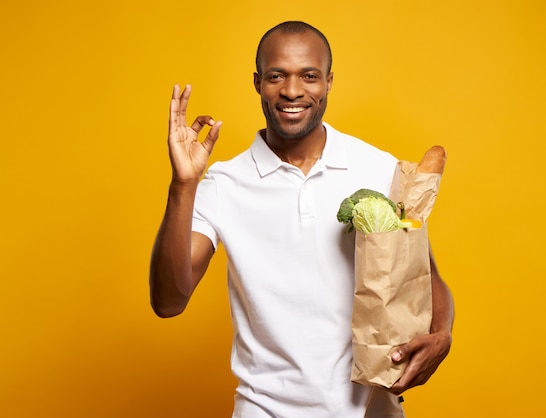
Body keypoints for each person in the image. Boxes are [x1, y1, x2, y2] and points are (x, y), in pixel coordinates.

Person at [149, 21, 454, 418]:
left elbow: (425, 280)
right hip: (265, 410)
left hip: (373, 411)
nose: (292, 91)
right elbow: (168, 301)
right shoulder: (223, 184)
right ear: (258, 82)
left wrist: (442, 335)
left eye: (308, 76)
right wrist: (183, 185)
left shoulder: (379, 168)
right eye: (277, 76)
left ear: (328, 81)